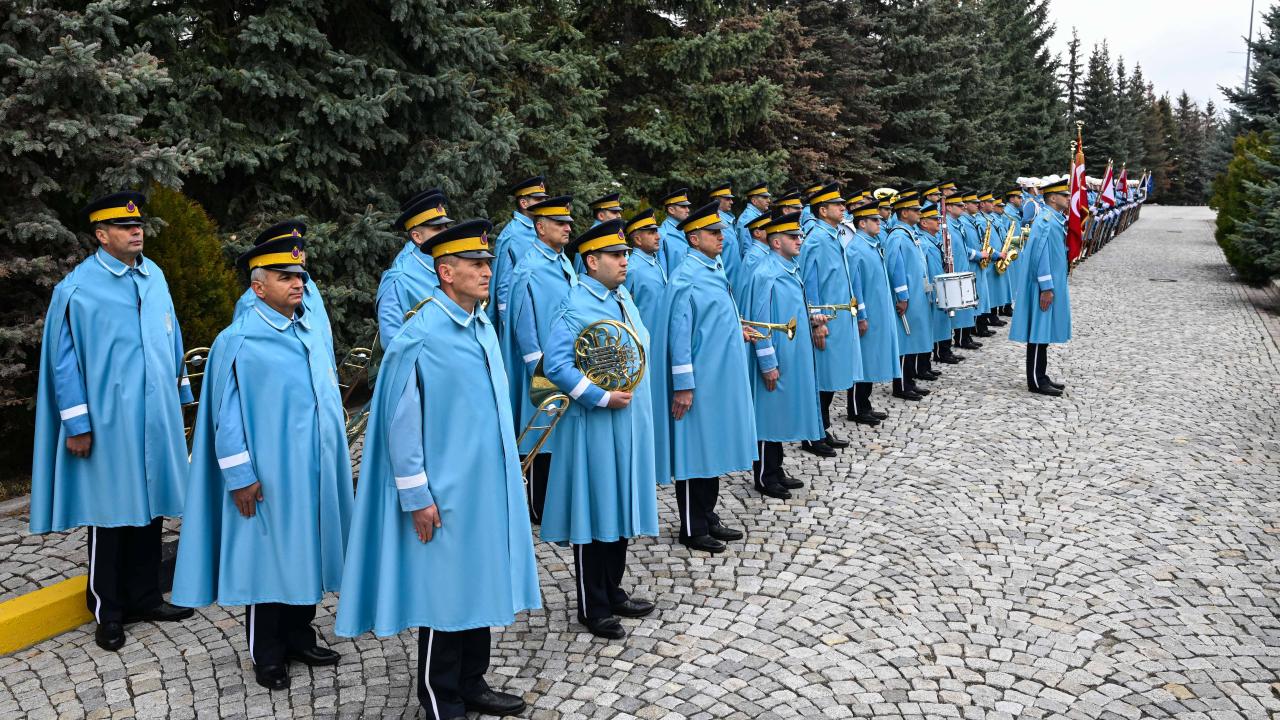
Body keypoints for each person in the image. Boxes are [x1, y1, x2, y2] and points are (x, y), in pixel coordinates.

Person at [336, 220, 540, 720]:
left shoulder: (480, 324)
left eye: (488, 262)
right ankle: (439, 696)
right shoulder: (421, 334)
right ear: (446, 272)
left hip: (484, 488)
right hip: (444, 494)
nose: (487, 271)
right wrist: (416, 497)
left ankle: (472, 682)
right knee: (444, 594)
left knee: (478, 583)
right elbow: (400, 426)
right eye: (476, 264)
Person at [172, 222, 352, 691]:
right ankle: (267, 652)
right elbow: (225, 416)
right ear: (258, 287)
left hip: (312, 470)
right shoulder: (240, 339)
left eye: (300, 275)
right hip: (269, 475)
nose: (297, 283)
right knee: (267, 559)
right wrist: (240, 476)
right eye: (284, 276)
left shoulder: (307, 328)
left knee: (305, 551)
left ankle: (299, 635)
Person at [30, 191, 196, 652]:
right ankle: (107, 610)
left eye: (137, 224)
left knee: (152, 507)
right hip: (108, 422)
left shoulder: (154, 274)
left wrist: (180, 393)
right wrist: (77, 424)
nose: (136, 230)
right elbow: (63, 361)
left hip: (155, 416)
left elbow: (172, 332)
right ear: (102, 235)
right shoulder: (78, 289)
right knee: (110, 512)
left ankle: (146, 597)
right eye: (124, 226)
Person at [542, 220, 661, 640]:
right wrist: (600, 396)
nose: (624, 261)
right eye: (616, 255)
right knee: (594, 510)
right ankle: (592, 606)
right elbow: (556, 366)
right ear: (592, 261)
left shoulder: (621, 296)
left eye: (625, 254)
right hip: (594, 424)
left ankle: (613, 591)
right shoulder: (575, 305)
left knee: (619, 504)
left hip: (629, 422)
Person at [653, 201, 757, 554]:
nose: (721, 237)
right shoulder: (687, 277)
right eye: (713, 233)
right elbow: (679, 335)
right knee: (693, 451)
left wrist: (736, 330)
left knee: (710, 447)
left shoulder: (712, 268)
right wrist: (683, 385)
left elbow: (711, 320)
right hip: (699, 383)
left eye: (720, 231)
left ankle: (707, 515)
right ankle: (691, 527)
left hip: (717, 379)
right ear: (694, 238)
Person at [500, 195, 577, 523]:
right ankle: (538, 506)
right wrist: (540, 371)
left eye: (568, 222)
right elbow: (523, 326)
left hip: (564, 364)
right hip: (542, 370)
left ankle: (557, 501)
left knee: (559, 433)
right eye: (560, 223)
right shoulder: (529, 268)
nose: (567, 228)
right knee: (541, 432)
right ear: (541, 227)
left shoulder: (562, 261)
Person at [747, 211, 826, 499]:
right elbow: (759, 322)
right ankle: (764, 476)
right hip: (777, 356)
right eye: (793, 237)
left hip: (791, 355)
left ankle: (776, 469)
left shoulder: (788, 267)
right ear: (776, 242)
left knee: (779, 413)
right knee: (768, 415)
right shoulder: (766, 273)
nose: (799, 240)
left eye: (799, 235)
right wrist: (767, 362)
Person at [799, 183, 858, 454]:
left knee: (831, 376)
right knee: (822, 378)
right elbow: (810, 282)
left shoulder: (832, 235)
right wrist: (816, 321)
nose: (843, 208)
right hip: (825, 320)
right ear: (822, 210)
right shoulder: (816, 239)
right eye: (837, 205)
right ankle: (812, 435)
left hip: (838, 318)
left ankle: (822, 428)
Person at [1009, 178, 1072, 397]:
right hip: (1042, 287)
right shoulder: (1046, 221)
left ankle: (1041, 376)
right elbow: (1040, 256)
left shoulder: (1053, 219)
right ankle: (1035, 381)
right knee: (1038, 331)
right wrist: (1046, 287)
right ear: (1053, 198)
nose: (1068, 198)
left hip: (1050, 285)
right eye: (1064, 195)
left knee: (1043, 332)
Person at [841, 199, 898, 425]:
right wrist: (861, 316)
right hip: (867, 314)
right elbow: (855, 287)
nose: (879, 223)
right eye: (874, 220)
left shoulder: (870, 244)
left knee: (871, 359)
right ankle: (856, 408)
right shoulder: (856, 248)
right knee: (863, 360)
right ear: (862, 223)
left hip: (877, 312)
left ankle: (865, 405)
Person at [376, 188, 454, 341]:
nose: (446, 233)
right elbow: (392, 342)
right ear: (417, 237)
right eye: (437, 228)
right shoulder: (399, 279)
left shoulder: (450, 260)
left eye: (446, 226)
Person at [883, 192, 932, 400]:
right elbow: (896, 268)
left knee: (913, 339)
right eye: (915, 210)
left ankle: (910, 381)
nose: (919, 213)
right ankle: (901, 385)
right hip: (907, 297)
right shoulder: (898, 236)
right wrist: (902, 296)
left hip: (916, 294)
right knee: (906, 339)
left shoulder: (909, 233)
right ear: (904, 213)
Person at [490, 175, 550, 327]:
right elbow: (504, 284)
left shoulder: (538, 228)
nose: (544, 203)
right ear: (524, 203)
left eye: (544, 199)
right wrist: (509, 324)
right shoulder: (512, 235)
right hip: (522, 317)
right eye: (538, 199)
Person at [657, 188, 693, 275]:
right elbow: (662, 272)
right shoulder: (662, 235)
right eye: (683, 207)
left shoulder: (688, 230)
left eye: (687, 206)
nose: (688, 210)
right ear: (671, 210)